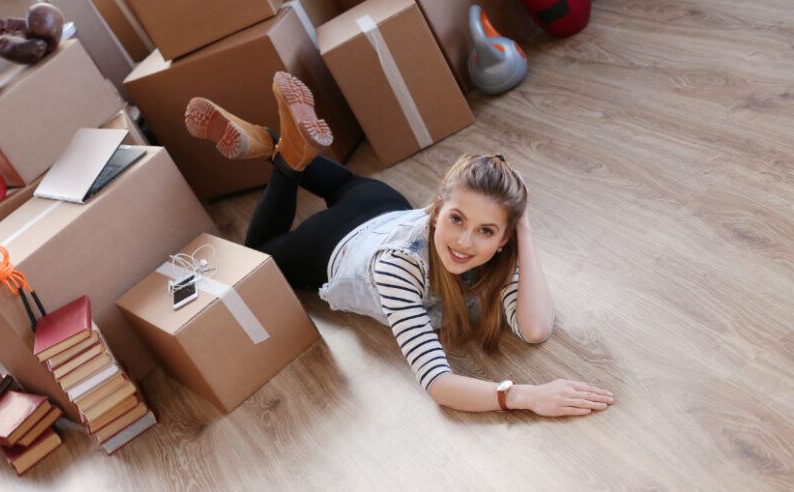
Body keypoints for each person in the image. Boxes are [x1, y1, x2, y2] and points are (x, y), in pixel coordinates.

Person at [184, 72, 614, 417]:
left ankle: (272, 146)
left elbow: (535, 329)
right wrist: (524, 397)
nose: (465, 243)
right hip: (335, 244)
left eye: (486, 231)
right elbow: (439, 386)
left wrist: (526, 232)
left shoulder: (501, 252)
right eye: (457, 219)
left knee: (348, 184)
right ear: (438, 207)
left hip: (381, 204)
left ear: (505, 238)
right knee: (261, 252)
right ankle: (284, 162)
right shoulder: (399, 269)